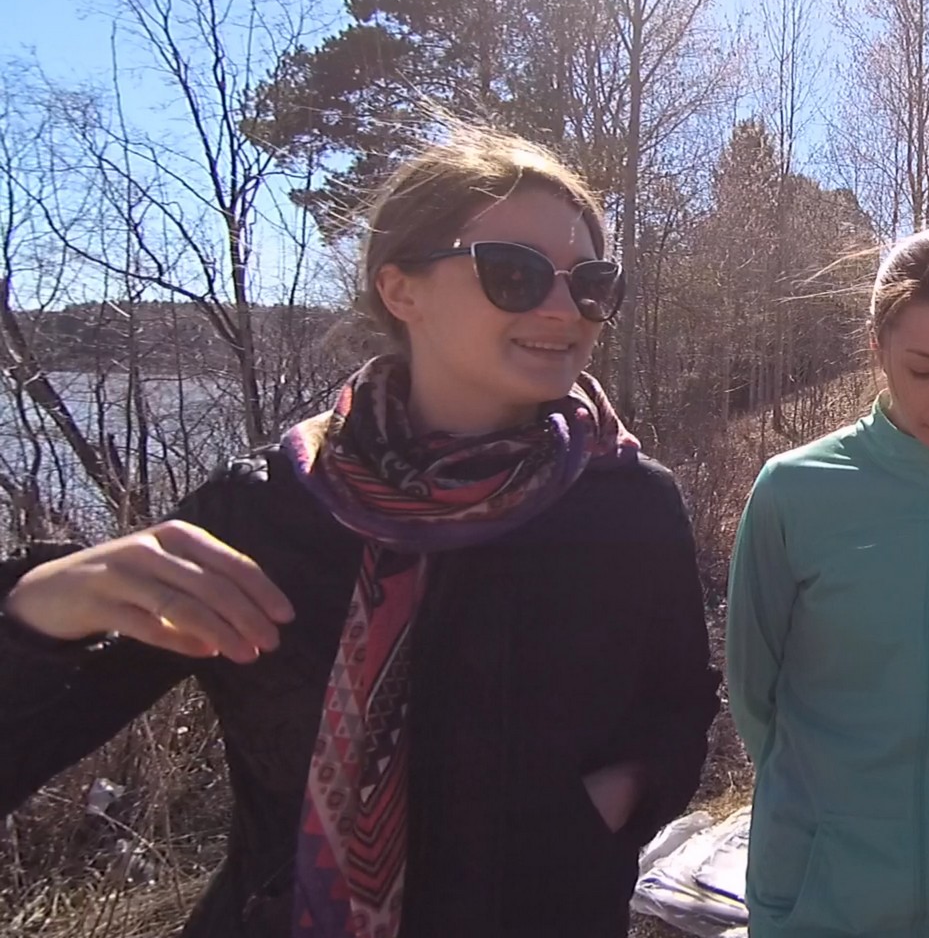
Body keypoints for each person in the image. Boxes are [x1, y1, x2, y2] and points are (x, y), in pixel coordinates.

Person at [0, 128, 720, 938]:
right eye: (513, 273)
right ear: (401, 289)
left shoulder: (627, 506)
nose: (562, 309)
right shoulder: (266, 513)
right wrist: (37, 617)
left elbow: (677, 706)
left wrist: (599, 811)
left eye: (590, 283)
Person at [726, 226, 929, 938]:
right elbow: (756, 694)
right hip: (823, 897)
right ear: (877, 349)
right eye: (925, 370)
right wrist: (825, 819)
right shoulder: (793, 492)